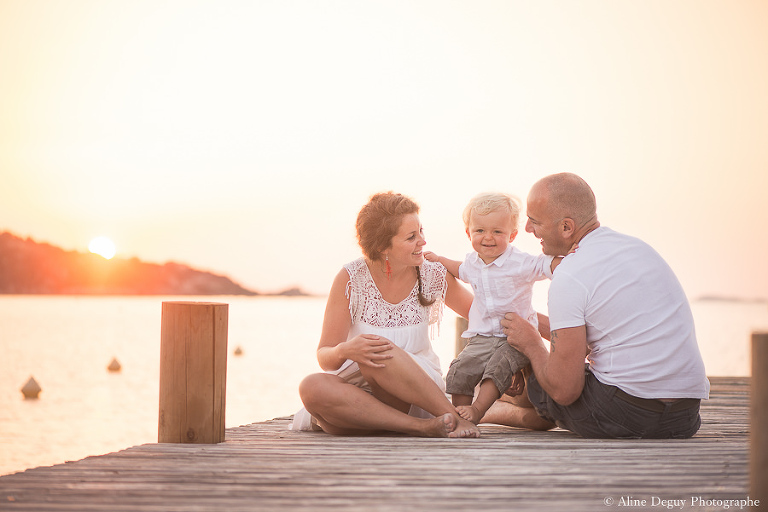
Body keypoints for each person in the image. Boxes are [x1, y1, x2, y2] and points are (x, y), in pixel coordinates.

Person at [489, 173, 710, 439]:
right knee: (552, 358)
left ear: (567, 228)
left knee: (539, 375)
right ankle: (499, 403)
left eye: (534, 221)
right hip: (684, 417)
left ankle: (490, 408)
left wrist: (533, 343)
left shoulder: (570, 274)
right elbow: (595, 336)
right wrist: (529, 322)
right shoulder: (638, 249)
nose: (527, 229)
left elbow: (564, 390)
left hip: (625, 412)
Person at [295, 192, 481, 438]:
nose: (422, 242)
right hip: (360, 392)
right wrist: (345, 350)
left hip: (419, 392)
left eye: (421, 232)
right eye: (411, 237)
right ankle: (420, 428)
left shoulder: (432, 274)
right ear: (383, 246)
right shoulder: (351, 278)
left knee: (380, 350)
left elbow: (484, 317)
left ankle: (451, 418)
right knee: (311, 387)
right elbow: (325, 355)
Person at [424, 192, 561, 424]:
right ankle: (461, 414)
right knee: (460, 368)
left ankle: (477, 411)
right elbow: (459, 270)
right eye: (480, 231)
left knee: (498, 368)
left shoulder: (520, 263)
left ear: (512, 235)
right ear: (469, 233)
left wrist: (569, 262)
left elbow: (545, 264)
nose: (488, 237)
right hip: (482, 336)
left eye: (497, 231)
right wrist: (439, 259)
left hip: (515, 338)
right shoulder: (473, 263)